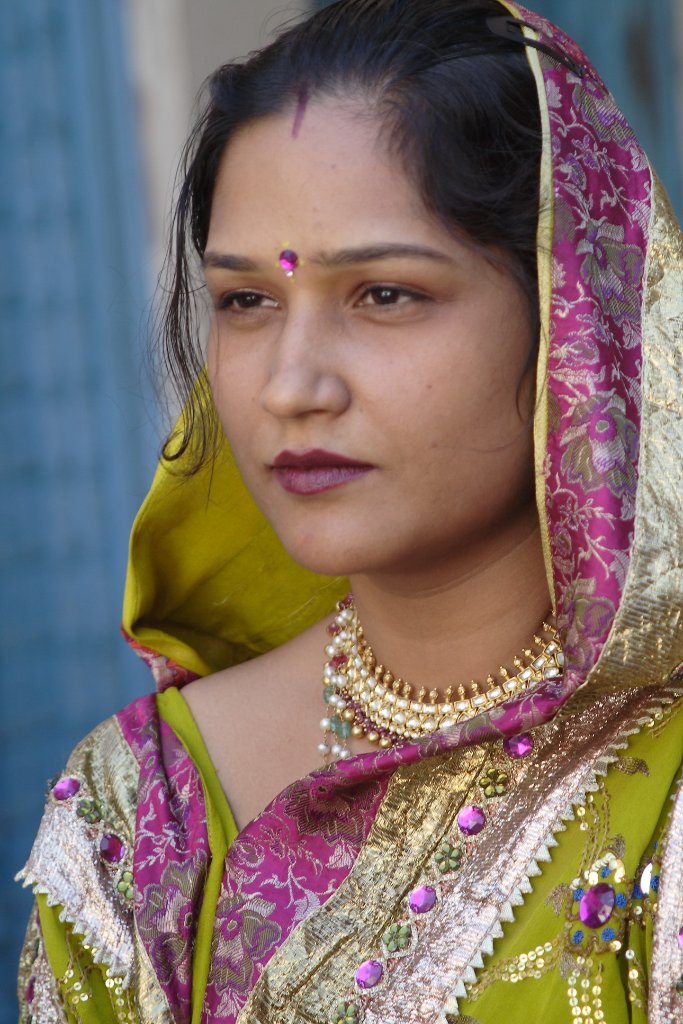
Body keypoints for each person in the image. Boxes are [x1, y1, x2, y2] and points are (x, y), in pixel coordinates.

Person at [16, 0, 683, 1020]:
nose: (290, 385)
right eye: (246, 301)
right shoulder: (137, 810)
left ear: (570, 319)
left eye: (382, 294)